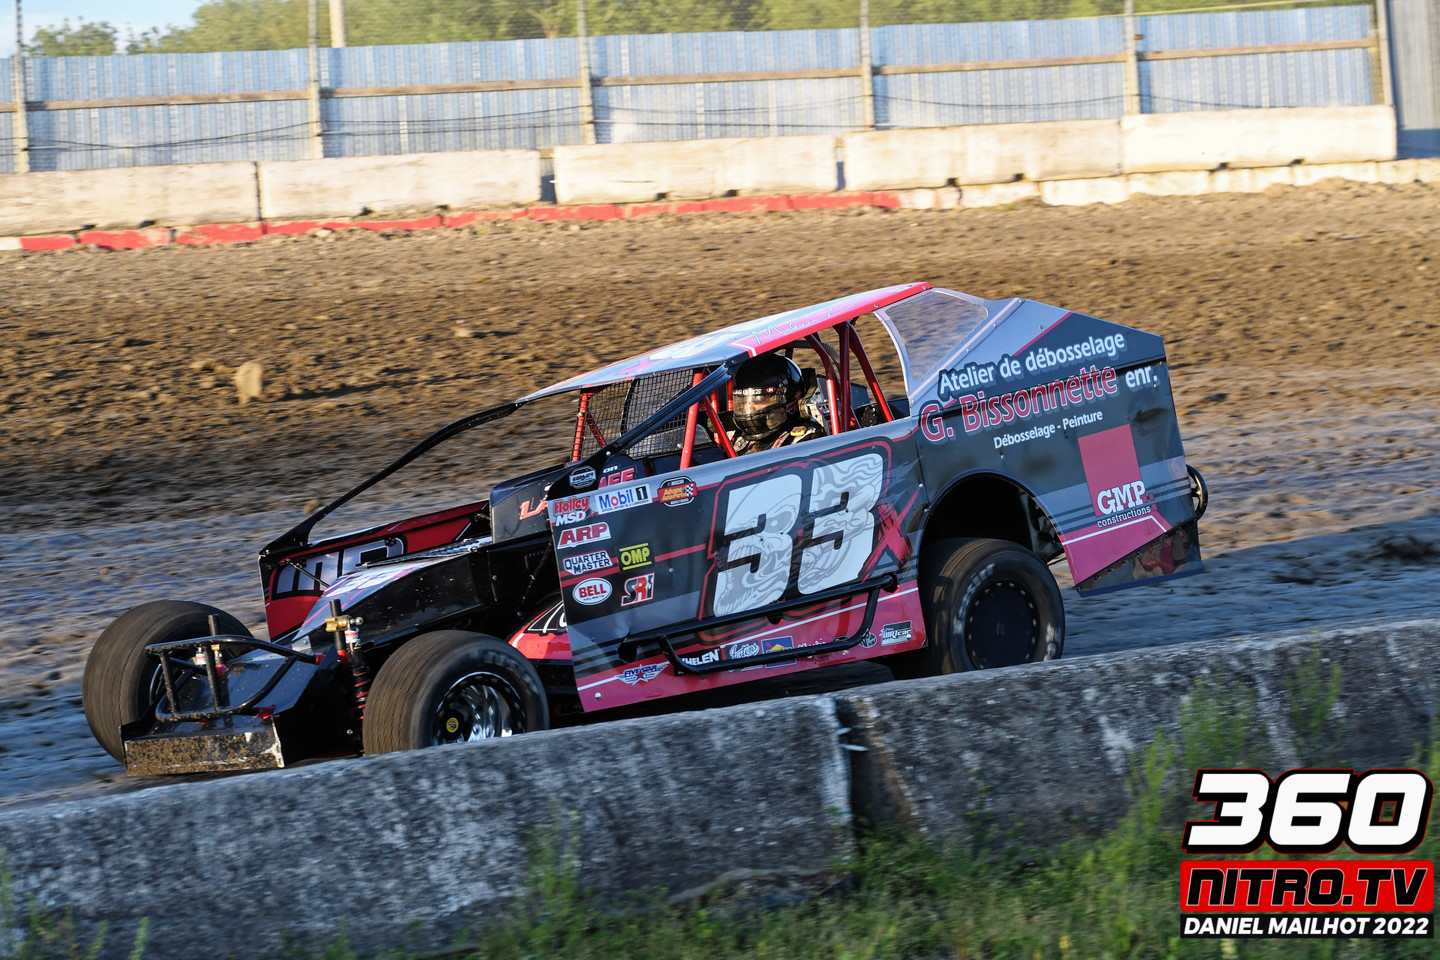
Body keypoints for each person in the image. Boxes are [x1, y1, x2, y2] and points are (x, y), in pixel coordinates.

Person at [731, 352, 825, 453]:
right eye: (742, 402)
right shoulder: (736, 439)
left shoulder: (809, 440)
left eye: (758, 401)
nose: (748, 408)